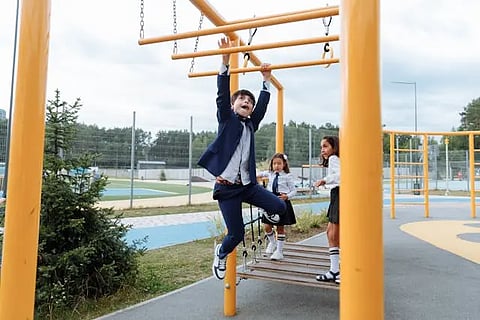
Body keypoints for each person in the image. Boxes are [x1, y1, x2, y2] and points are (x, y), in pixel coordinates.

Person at [198, 37, 286, 280]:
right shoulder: (227, 121)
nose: (246, 102)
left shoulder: (251, 125)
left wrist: (266, 80)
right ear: (233, 106)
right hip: (227, 189)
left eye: (249, 101)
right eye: (242, 100)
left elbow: (262, 108)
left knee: (279, 206)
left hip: (248, 186)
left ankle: (267, 213)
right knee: (236, 234)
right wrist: (225, 60)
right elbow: (222, 95)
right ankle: (221, 252)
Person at [257, 153, 297, 260]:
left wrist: (287, 196)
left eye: (279, 163)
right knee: (266, 225)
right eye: (274, 164)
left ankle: (279, 251)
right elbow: (258, 174)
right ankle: (272, 242)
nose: (276, 166)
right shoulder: (270, 173)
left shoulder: (287, 176)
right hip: (270, 200)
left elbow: (294, 190)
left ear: (284, 164)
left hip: (282, 200)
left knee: (280, 227)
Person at [314, 135, 341, 284]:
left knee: (336, 235)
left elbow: (341, 175)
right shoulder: (334, 159)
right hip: (336, 194)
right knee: (331, 233)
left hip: (340, 193)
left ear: (334, 147)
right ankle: (334, 270)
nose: (322, 150)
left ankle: (341, 270)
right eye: (321, 147)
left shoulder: (334, 158)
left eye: (325, 146)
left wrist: (325, 180)